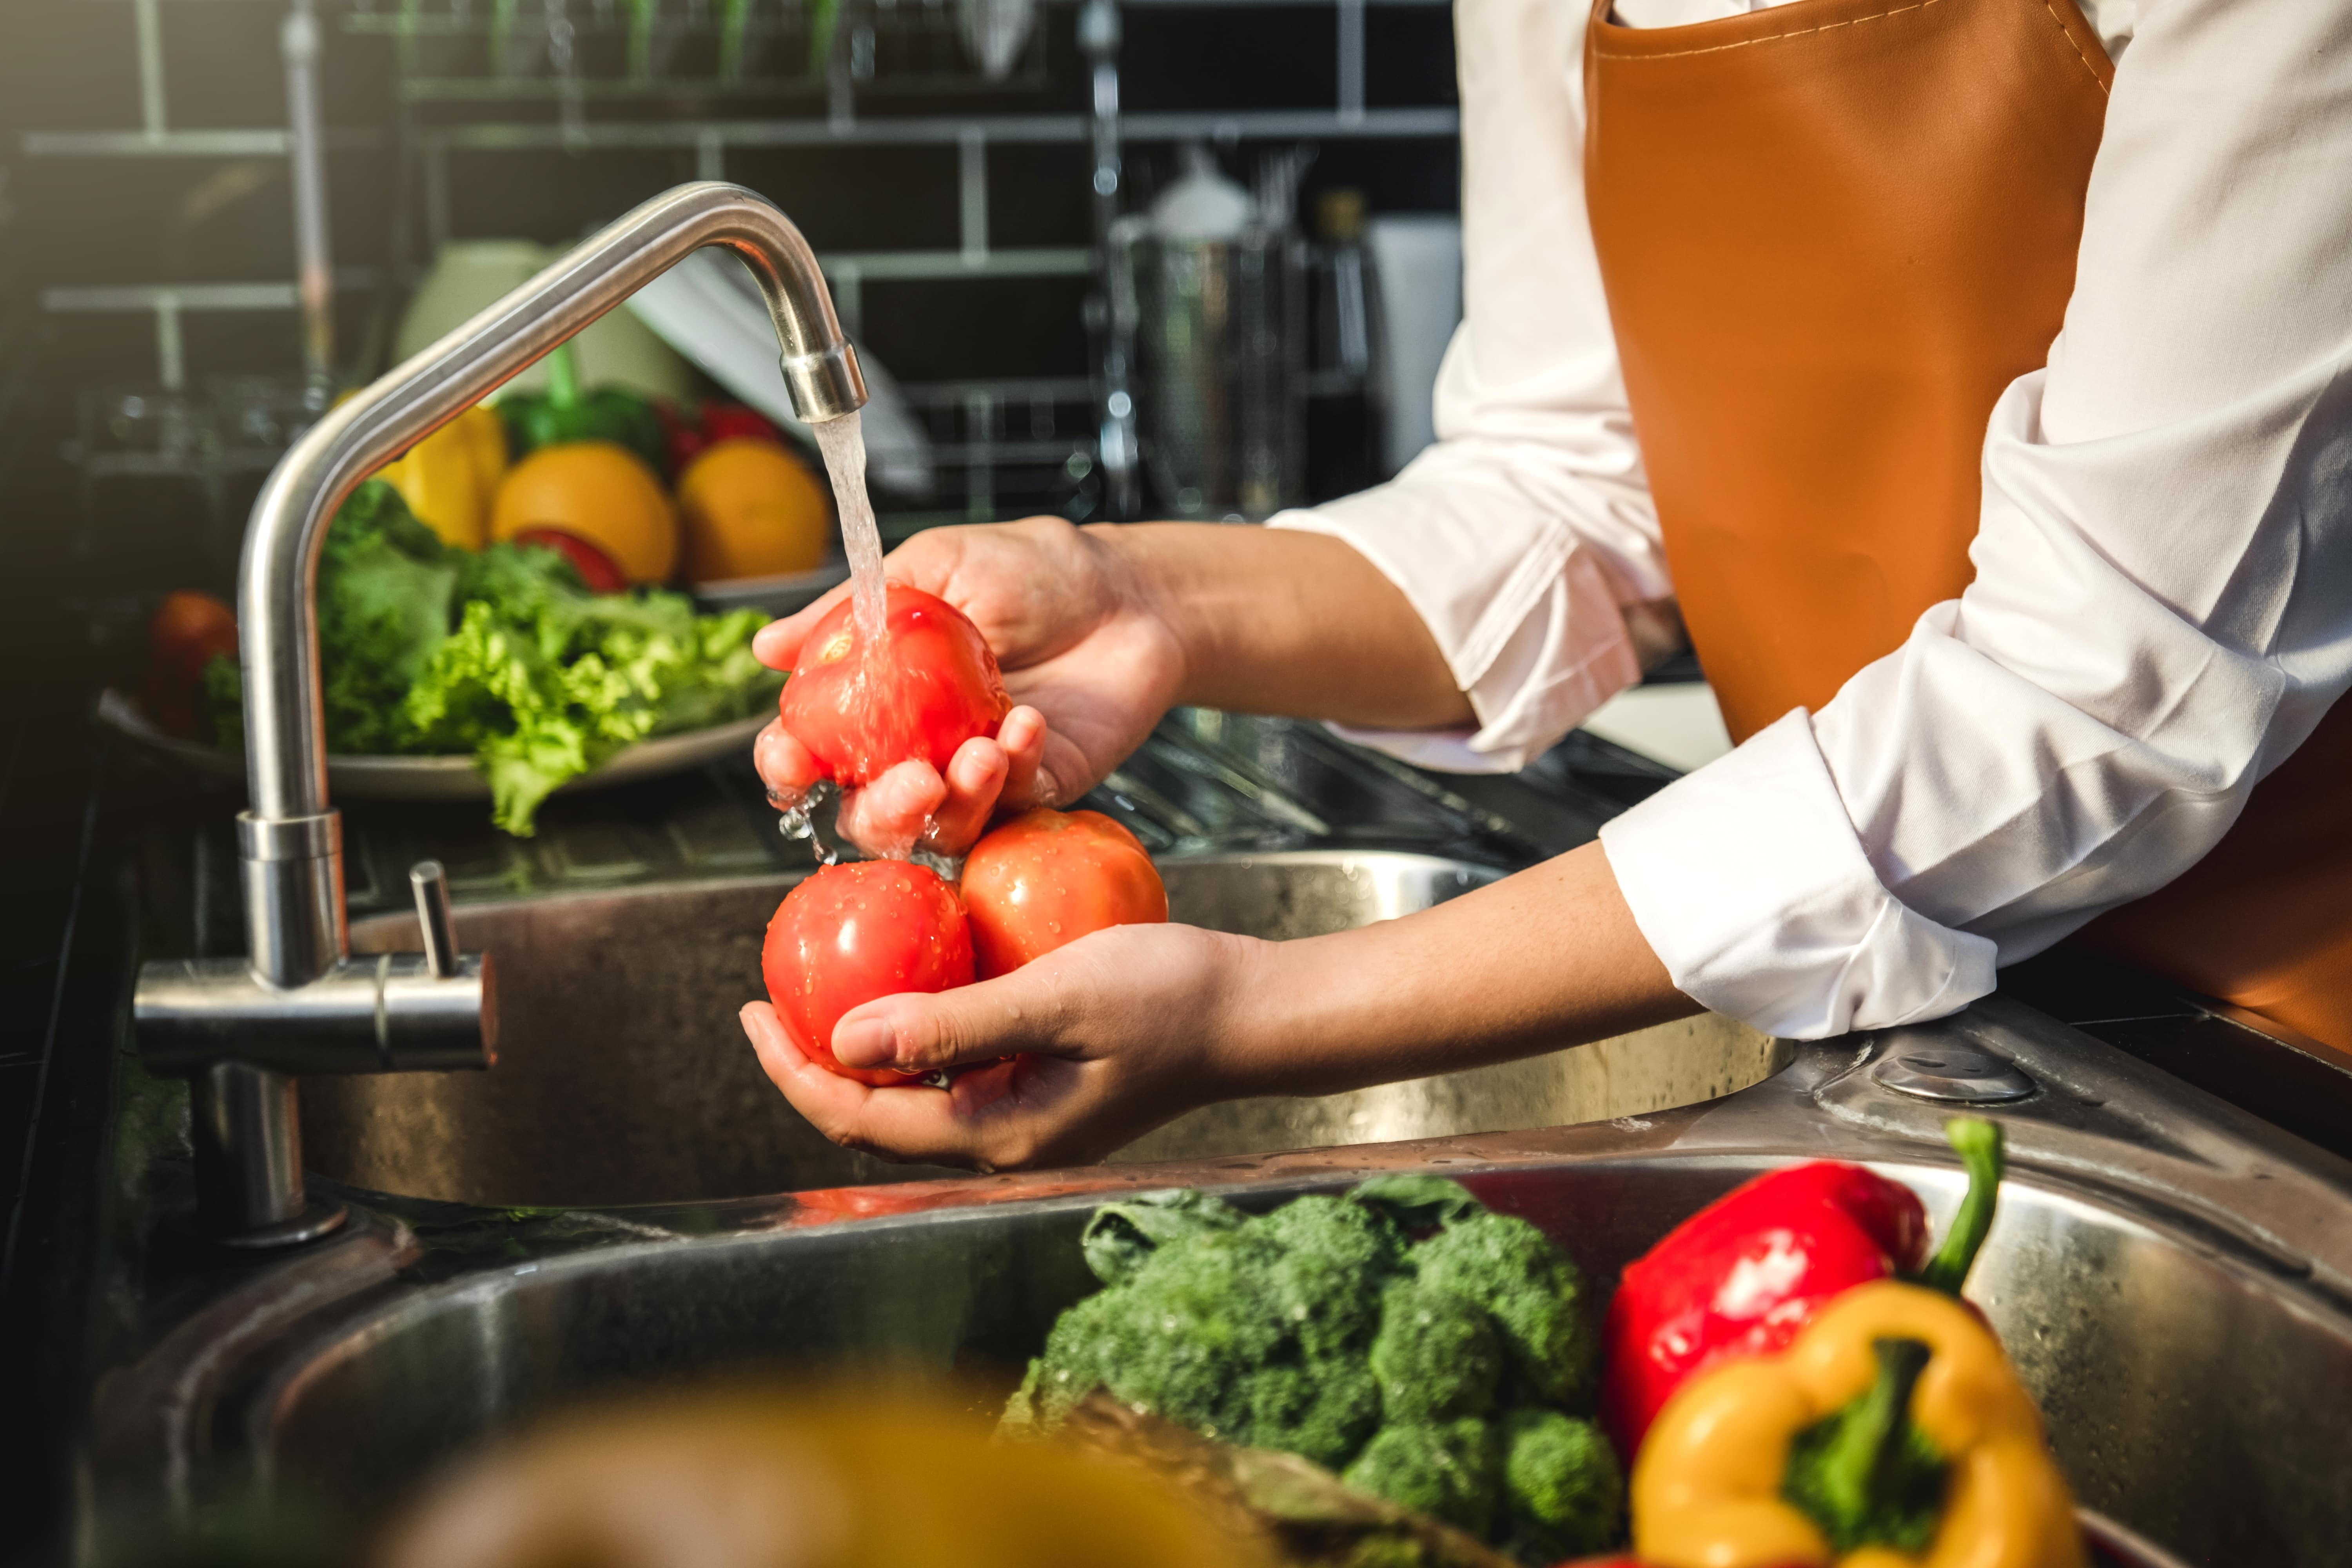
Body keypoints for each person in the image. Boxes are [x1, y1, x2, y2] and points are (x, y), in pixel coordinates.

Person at [741, 0, 2352, 1171]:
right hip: (1920, 1044)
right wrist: (1141, 595)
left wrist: (1268, 1013)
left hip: (2282, 1077)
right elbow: (1574, 480)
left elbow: (2094, 687)